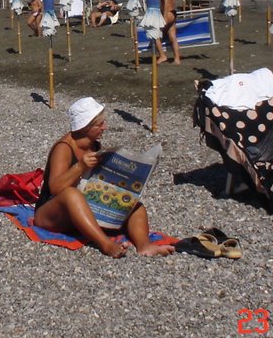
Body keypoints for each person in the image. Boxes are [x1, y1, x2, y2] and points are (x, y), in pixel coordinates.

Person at [33, 97, 175, 258]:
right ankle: (105, 244)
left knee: (135, 205)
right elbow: (55, 187)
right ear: (85, 127)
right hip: (52, 214)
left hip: (83, 209)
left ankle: (144, 245)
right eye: (99, 124)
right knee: (71, 195)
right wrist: (80, 167)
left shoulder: (94, 145)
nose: (105, 127)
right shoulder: (64, 148)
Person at [155, 0, 181, 65]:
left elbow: (166, 1)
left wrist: (164, 16)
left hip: (168, 13)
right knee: (172, 37)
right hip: (173, 12)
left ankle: (162, 55)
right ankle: (177, 59)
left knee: (155, 34)